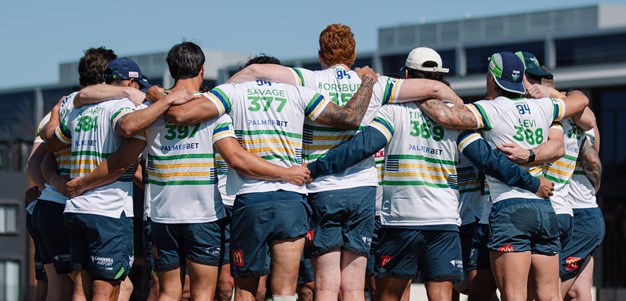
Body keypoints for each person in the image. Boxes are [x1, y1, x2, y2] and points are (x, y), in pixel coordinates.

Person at [228, 25, 463, 301]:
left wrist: (217, 93)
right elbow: (436, 87)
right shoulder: (377, 84)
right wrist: (462, 113)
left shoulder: (307, 79)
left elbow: (255, 71)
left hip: (322, 189)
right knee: (353, 288)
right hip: (362, 189)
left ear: (320, 55)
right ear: (353, 56)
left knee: (326, 286)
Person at [150, 41, 381, 301]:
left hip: (251, 200)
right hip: (291, 199)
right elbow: (348, 118)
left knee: (246, 291)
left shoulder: (233, 92)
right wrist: (368, 82)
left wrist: (157, 94)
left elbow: (180, 115)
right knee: (285, 292)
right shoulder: (297, 93)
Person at [413, 51, 589, 301]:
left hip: (509, 208)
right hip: (545, 208)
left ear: (492, 78)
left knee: (513, 295)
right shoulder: (543, 107)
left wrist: (418, 91)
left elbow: (446, 116)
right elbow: (581, 100)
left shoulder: (489, 109)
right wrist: (550, 93)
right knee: (550, 296)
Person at [36, 47, 118, 301]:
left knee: (60, 288)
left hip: (50, 204)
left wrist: (53, 183)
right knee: (109, 287)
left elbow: (38, 162)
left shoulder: (60, 108)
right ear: (109, 76)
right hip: (79, 206)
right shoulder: (108, 107)